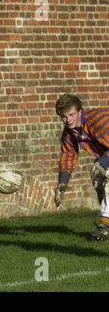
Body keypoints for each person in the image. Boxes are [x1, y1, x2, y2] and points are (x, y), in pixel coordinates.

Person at [54, 93, 109, 240]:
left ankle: (105, 226)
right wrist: (62, 184)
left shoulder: (101, 120)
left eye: (71, 115)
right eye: (64, 117)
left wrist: (102, 162)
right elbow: (67, 157)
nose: (68, 120)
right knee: (98, 181)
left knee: (106, 175)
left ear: (80, 111)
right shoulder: (69, 133)